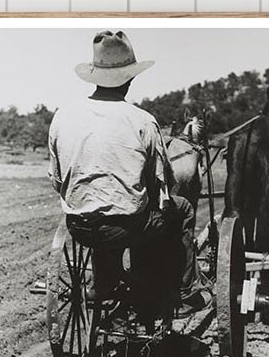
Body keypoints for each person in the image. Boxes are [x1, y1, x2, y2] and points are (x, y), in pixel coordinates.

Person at [47, 30, 208, 317]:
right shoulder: (143, 121)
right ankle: (182, 291)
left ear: (95, 75)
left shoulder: (63, 116)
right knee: (180, 209)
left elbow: (57, 180)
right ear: (130, 78)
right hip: (128, 227)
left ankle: (105, 283)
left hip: (80, 226)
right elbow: (162, 187)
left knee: (104, 215)